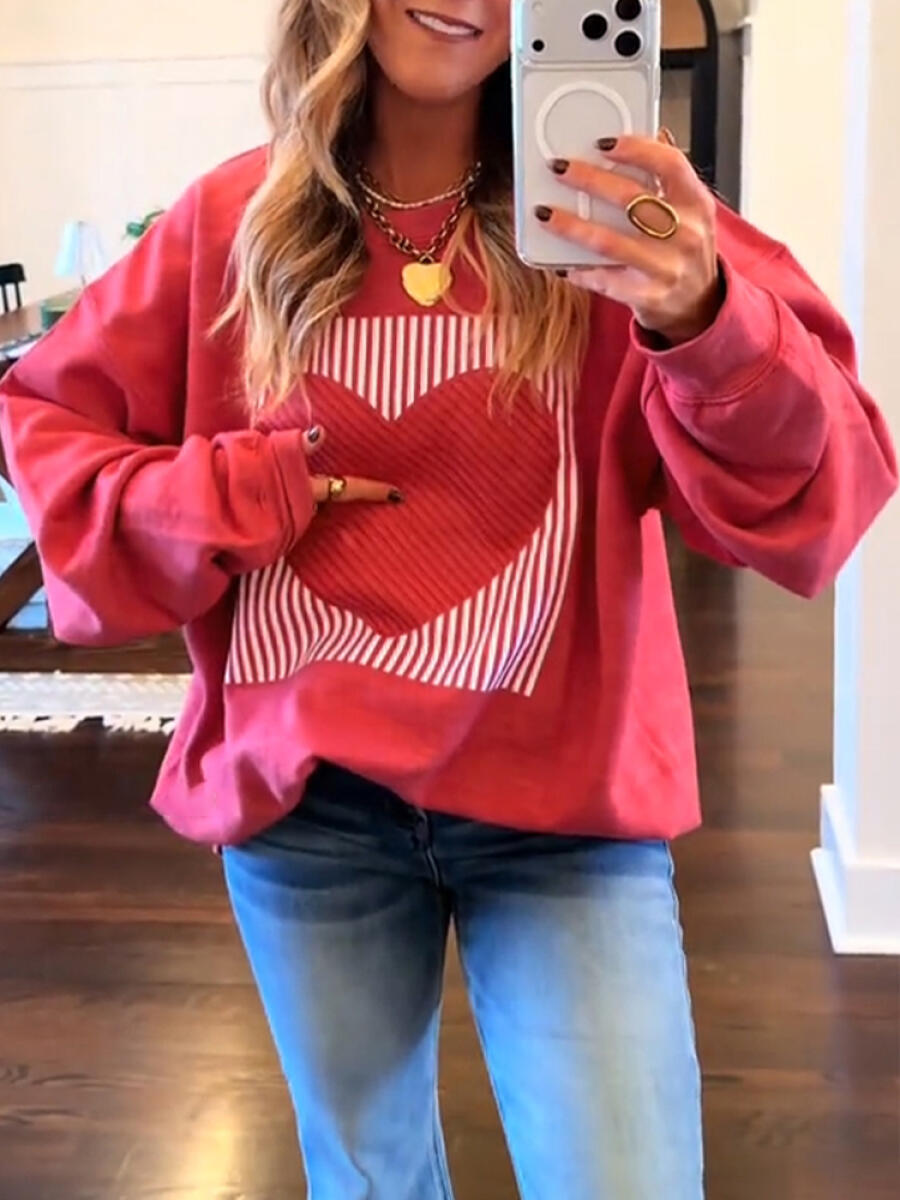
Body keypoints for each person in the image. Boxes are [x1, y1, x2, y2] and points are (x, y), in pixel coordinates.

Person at [1, 2, 896, 1197]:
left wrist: (705, 320)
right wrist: (241, 492)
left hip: (565, 811)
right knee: (368, 1179)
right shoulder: (231, 222)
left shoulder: (619, 221)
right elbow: (49, 430)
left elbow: (824, 487)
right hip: (310, 811)